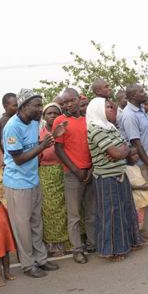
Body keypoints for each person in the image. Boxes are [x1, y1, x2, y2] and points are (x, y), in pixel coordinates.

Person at [1, 89, 60, 278]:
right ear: (24, 106)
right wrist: (42, 146)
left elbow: (35, 146)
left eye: (40, 105)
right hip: (18, 184)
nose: (40, 109)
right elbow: (18, 158)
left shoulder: (34, 122)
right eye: (36, 105)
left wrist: (46, 141)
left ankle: (41, 259)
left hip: (33, 180)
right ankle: (28, 264)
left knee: (36, 223)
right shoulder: (12, 127)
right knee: (23, 227)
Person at [86, 97, 143, 261]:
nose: (112, 109)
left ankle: (130, 242)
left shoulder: (110, 127)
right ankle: (112, 250)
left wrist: (120, 151)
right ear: (98, 109)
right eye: (108, 107)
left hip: (120, 173)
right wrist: (120, 151)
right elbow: (118, 152)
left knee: (125, 208)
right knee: (111, 214)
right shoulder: (95, 129)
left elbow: (125, 149)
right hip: (106, 177)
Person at [53, 88, 97, 264]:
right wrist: (75, 170)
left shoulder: (89, 119)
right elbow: (58, 149)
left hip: (89, 171)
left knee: (91, 211)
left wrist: (90, 168)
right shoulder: (60, 121)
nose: (68, 105)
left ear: (79, 100)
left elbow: (93, 145)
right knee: (74, 215)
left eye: (71, 100)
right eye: (64, 103)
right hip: (72, 174)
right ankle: (77, 249)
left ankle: (93, 244)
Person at [117, 84, 148, 239]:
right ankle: (143, 232)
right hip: (142, 164)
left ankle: (146, 229)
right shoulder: (129, 115)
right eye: (141, 92)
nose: (145, 93)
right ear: (133, 96)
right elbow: (136, 142)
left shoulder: (141, 109)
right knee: (144, 198)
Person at [39, 103, 69, 257]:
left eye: (56, 113)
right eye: (49, 113)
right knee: (51, 210)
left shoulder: (65, 131)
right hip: (46, 174)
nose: (52, 116)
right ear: (44, 117)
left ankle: (68, 243)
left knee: (66, 209)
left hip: (64, 171)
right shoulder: (39, 135)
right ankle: (54, 245)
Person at [125, 147, 148, 227]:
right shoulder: (126, 169)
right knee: (134, 218)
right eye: (133, 155)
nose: (137, 156)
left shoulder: (137, 167)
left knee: (140, 219)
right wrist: (140, 187)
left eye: (137, 153)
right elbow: (127, 185)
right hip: (133, 199)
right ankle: (136, 236)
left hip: (140, 199)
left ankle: (140, 235)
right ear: (126, 157)